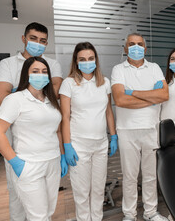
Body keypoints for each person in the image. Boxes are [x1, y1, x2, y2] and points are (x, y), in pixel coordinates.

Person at [0, 22, 63, 221]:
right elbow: (2, 98)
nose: (40, 75)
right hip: (26, 160)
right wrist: (15, 161)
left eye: (44, 73)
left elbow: (57, 127)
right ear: (24, 38)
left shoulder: (51, 102)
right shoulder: (14, 97)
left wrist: (60, 153)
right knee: (29, 210)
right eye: (35, 72)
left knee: (48, 211)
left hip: (51, 161)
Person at [111, 33, 169, 221]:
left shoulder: (154, 68)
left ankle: (151, 212)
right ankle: (129, 214)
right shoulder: (118, 69)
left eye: (139, 44)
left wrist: (133, 93)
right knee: (129, 176)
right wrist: (150, 97)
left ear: (145, 48)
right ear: (125, 48)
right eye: (131, 44)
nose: (136, 47)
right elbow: (120, 99)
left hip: (151, 129)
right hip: (127, 130)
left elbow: (163, 95)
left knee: (151, 175)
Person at [59, 42, 118, 221]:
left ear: (96, 60)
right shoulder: (68, 83)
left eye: (90, 58)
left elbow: (108, 111)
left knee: (98, 190)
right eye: (82, 59)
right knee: (82, 192)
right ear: (76, 62)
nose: (87, 62)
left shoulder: (104, 82)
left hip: (100, 144)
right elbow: (65, 117)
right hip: (78, 145)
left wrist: (113, 136)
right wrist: (67, 146)